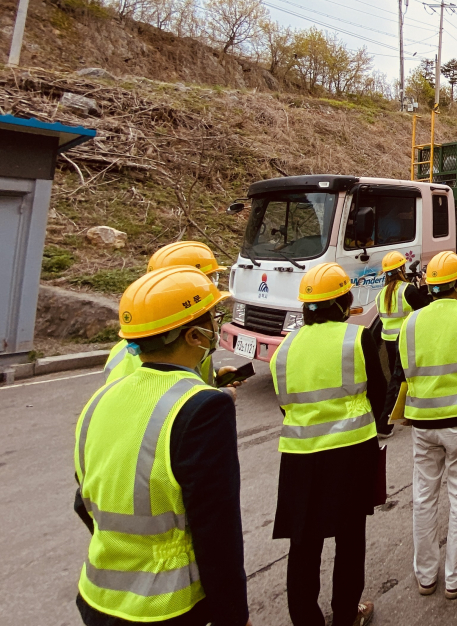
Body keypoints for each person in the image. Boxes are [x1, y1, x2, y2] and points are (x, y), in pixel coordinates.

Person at [74, 266, 250, 626]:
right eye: (213, 318)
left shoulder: (100, 399)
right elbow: (217, 527)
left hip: (97, 596)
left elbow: (83, 500)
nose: (217, 325)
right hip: (168, 605)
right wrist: (233, 615)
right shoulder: (204, 407)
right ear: (194, 335)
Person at [270, 262, 382, 626]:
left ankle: (306, 620)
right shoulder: (356, 338)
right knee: (350, 542)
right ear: (344, 301)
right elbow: (379, 391)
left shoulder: (284, 349)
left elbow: (284, 403)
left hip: (299, 460)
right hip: (350, 455)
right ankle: (346, 615)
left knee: (303, 546)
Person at [395, 251, 457, 598]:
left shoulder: (410, 322)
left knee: (423, 497)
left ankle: (425, 576)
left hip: (422, 422)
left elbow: (401, 373)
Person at [103, 241, 233, 389]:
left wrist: (216, 376)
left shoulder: (179, 342)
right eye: (206, 279)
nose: (210, 287)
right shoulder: (166, 356)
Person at [376, 250, 424, 438]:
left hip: (389, 341)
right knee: (400, 380)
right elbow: (424, 310)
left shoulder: (381, 294)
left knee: (398, 380)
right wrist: (423, 287)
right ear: (402, 268)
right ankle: (384, 424)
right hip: (404, 341)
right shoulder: (407, 290)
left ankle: (406, 414)